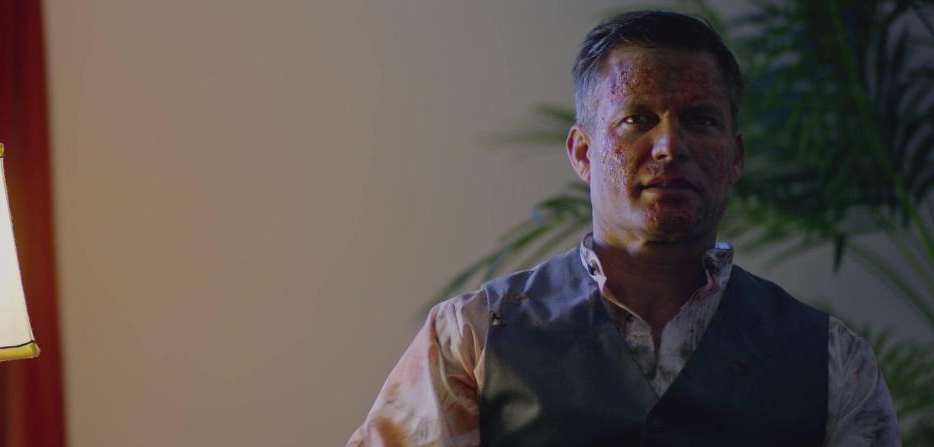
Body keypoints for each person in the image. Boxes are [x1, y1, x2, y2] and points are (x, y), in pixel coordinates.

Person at [347, 10, 899, 447]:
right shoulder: (471, 339)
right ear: (582, 153)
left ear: (735, 158)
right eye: (638, 119)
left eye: (700, 119)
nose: (670, 146)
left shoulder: (833, 361)